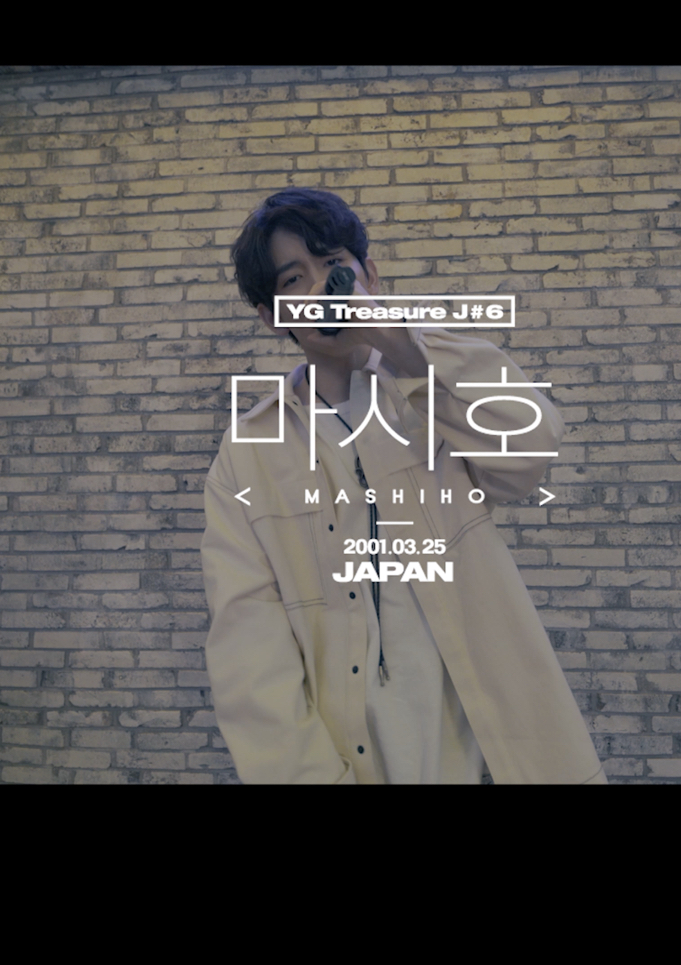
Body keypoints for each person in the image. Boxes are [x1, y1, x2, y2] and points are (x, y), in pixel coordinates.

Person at [202, 188, 606, 784]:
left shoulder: (432, 393)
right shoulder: (246, 457)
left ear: (369, 274)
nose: (321, 288)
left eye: (334, 264)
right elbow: (249, 654)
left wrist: (398, 343)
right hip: (350, 761)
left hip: (491, 751)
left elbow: (530, 446)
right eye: (293, 279)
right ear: (272, 315)